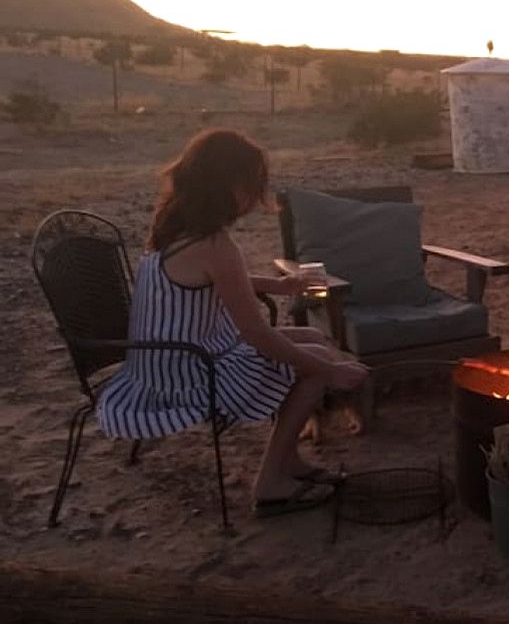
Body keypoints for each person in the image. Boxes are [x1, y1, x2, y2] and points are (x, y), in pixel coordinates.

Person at [96, 128, 369, 516]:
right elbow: (255, 334)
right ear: (226, 184)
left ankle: (287, 459)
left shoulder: (173, 230)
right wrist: (331, 369)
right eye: (251, 185)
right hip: (189, 377)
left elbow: (204, 280)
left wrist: (276, 284)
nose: (253, 198)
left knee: (308, 337)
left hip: (160, 363)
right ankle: (271, 482)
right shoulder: (215, 244)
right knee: (314, 370)